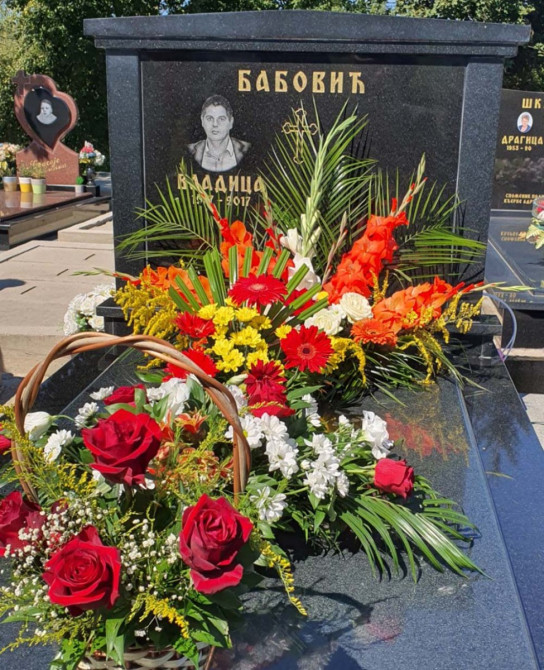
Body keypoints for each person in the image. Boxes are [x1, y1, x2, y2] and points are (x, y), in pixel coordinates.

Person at [187, 95, 250, 173]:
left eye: (221, 119)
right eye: (210, 118)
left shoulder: (247, 149)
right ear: (202, 121)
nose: (215, 124)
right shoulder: (189, 150)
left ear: (231, 122)